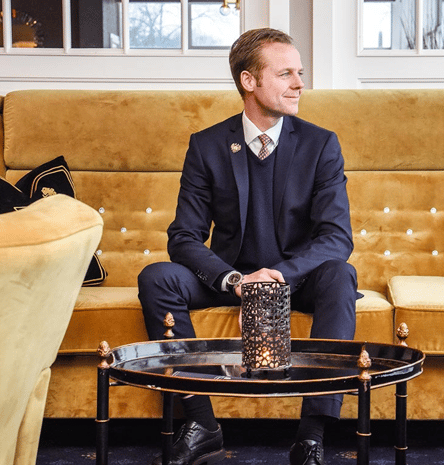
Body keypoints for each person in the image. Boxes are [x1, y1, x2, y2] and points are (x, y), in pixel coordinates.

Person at [138, 27, 358, 465]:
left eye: (299, 73)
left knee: (340, 274)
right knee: (157, 277)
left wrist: (276, 277)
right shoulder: (207, 146)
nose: (299, 84)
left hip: (297, 279)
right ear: (249, 81)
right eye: (286, 74)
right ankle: (202, 424)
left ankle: (312, 436)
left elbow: (336, 237)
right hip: (231, 278)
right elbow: (183, 236)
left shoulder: (320, 144)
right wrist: (236, 280)